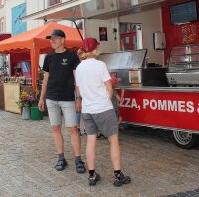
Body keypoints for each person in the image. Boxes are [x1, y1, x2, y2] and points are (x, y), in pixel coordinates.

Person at [75, 37, 131, 187]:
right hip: (103, 108)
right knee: (113, 140)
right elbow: (110, 88)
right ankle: (118, 175)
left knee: (91, 140)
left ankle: (92, 175)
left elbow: (78, 90)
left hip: (87, 110)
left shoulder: (79, 67)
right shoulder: (100, 65)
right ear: (95, 49)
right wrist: (106, 99)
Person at [38, 29, 86, 173]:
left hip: (67, 99)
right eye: (50, 39)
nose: (51, 41)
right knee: (55, 128)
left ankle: (78, 159)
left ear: (62, 40)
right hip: (51, 98)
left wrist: (79, 98)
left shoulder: (71, 56)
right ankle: (61, 158)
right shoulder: (49, 58)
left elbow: (77, 79)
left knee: (72, 129)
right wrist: (41, 97)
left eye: (55, 38)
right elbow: (45, 79)